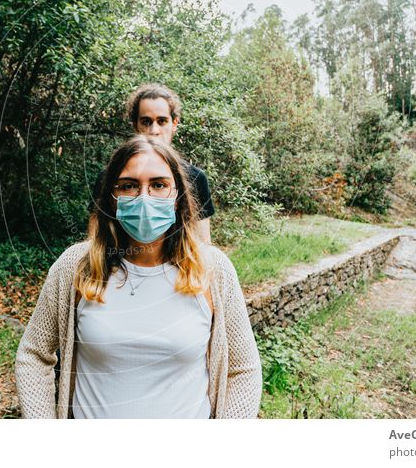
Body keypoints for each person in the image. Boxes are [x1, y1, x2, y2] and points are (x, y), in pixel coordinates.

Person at [15, 135, 261, 418]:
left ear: (178, 196)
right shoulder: (76, 266)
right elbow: (34, 354)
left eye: (158, 185)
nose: (144, 197)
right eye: (129, 186)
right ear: (112, 196)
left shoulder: (213, 270)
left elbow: (243, 370)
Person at [88, 83, 215, 244]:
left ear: (174, 124)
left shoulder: (195, 178)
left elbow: (203, 243)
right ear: (136, 125)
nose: (154, 130)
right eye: (146, 122)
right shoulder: (109, 177)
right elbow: (94, 239)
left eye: (162, 121)